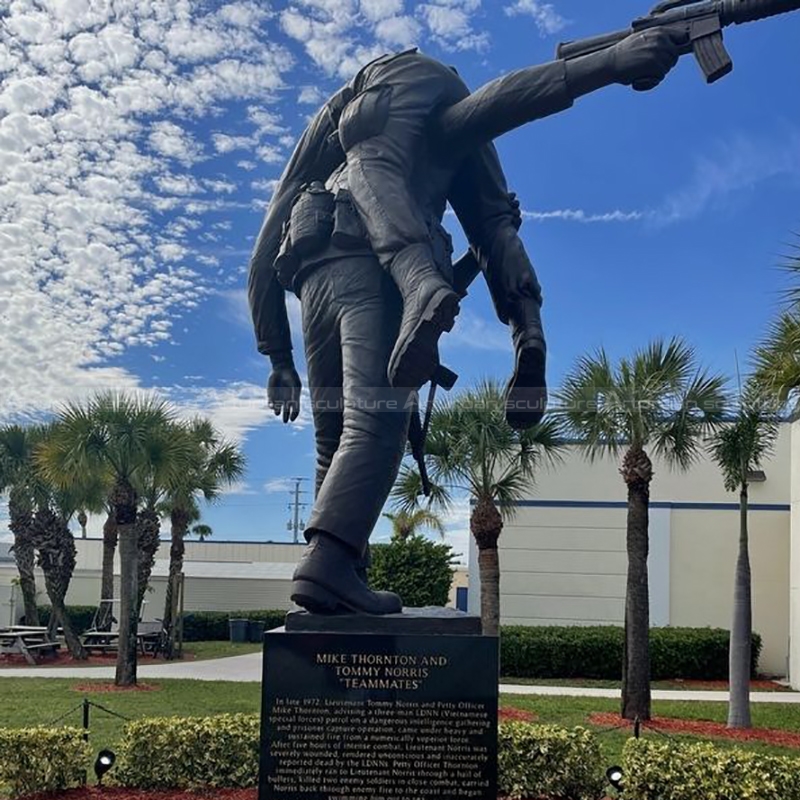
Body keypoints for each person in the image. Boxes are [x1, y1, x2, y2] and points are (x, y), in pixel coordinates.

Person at [248, 31, 686, 615]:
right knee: (378, 422)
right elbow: (502, 125)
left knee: (336, 437)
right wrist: (607, 64)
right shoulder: (434, 97)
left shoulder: (335, 122)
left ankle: (339, 575)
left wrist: (276, 356)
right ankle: (328, 564)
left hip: (314, 280)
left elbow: (263, 246)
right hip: (373, 269)